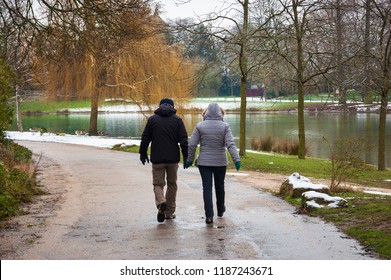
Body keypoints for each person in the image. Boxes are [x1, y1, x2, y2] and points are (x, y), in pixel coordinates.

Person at [184, 103, 240, 224]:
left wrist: (189, 159)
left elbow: (192, 144)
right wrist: (236, 160)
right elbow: (230, 144)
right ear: (221, 113)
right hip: (220, 162)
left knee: (207, 188)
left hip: (204, 162)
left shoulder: (200, 126)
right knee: (220, 186)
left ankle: (209, 215)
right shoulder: (225, 126)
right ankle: (220, 210)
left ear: (206, 113)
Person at [139, 98, 188, 223]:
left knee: (158, 184)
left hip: (157, 158)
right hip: (173, 159)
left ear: (160, 106)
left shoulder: (152, 120)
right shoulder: (177, 120)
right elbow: (183, 139)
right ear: (172, 106)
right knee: (172, 184)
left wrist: (143, 153)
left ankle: (161, 202)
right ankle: (169, 213)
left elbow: (145, 138)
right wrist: (186, 155)